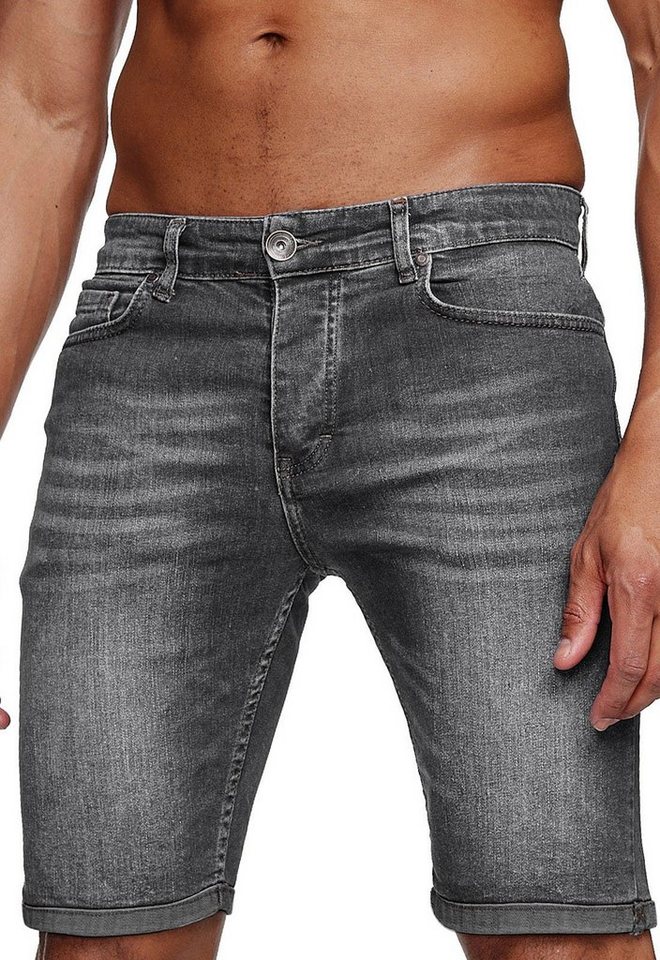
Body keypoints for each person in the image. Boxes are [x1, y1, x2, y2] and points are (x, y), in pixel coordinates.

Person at [1, 1, 659, 958]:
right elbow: (37, 104)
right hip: (158, 327)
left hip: (476, 324)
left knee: (556, 925)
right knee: (106, 930)